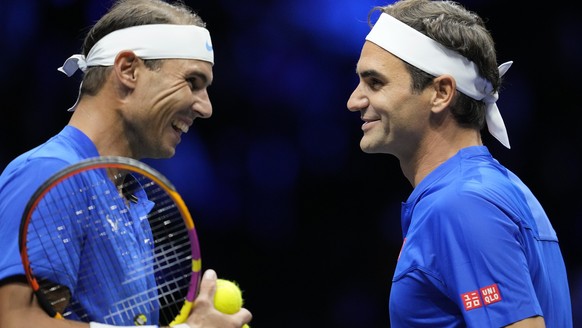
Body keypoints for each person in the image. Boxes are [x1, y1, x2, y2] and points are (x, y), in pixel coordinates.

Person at [0, 0, 252, 327]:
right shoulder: (50, 173)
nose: (206, 107)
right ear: (128, 70)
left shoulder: (128, 196)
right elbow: (13, 320)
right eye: (192, 82)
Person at [347, 0, 572, 326]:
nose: (354, 100)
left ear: (441, 92)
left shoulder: (461, 204)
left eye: (375, 82)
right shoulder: (489, 189)